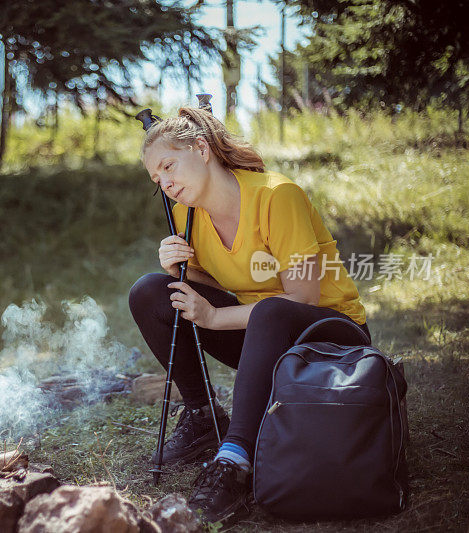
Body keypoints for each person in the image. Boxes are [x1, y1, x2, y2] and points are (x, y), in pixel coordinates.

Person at [128, 106, 371, 523]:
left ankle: (235, 460)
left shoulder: (277, 195)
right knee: (152, 291)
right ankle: (204, 417)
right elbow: (219, 281)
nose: (165, 183)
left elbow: (303, 298)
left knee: (275, 310)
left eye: (169, 166)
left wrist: (214, 318)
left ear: (201, 149)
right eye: (157, 178)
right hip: (267, 337)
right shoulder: (189, 216)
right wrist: (180, 269)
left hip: (331, 342)